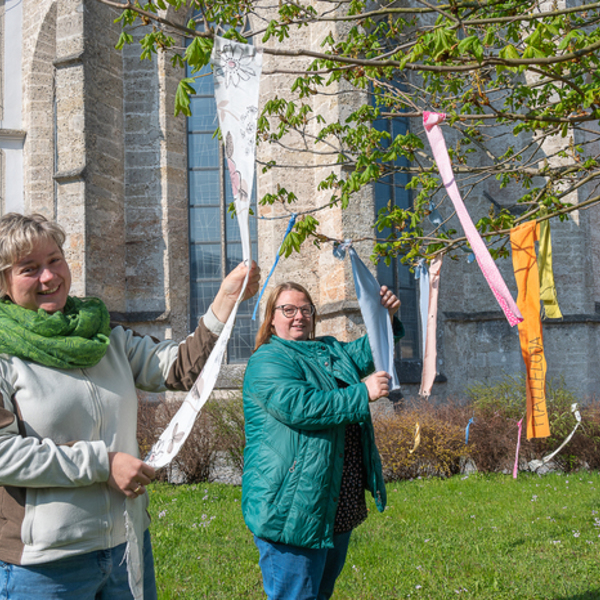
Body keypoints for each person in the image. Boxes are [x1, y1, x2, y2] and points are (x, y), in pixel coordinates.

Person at [0, 212, 259, 599]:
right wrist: (103, 464)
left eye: (55, 260)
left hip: (126, 549)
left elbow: (181, 369)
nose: (49, 277)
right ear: (4, 282)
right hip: (46, 568)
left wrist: (224, 299)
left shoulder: (102, 335)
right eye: (29, 269)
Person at [242, 281, 403, 600]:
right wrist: (362, 392)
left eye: (305, 309)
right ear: (271, 318)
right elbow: (302, 407)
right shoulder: (267, 360)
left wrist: (386, 316)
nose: (298, 316)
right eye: (288, 309)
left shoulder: (329, 350)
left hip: (331, 504)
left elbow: (372, 349)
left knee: (319, 594)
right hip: (291, 508)